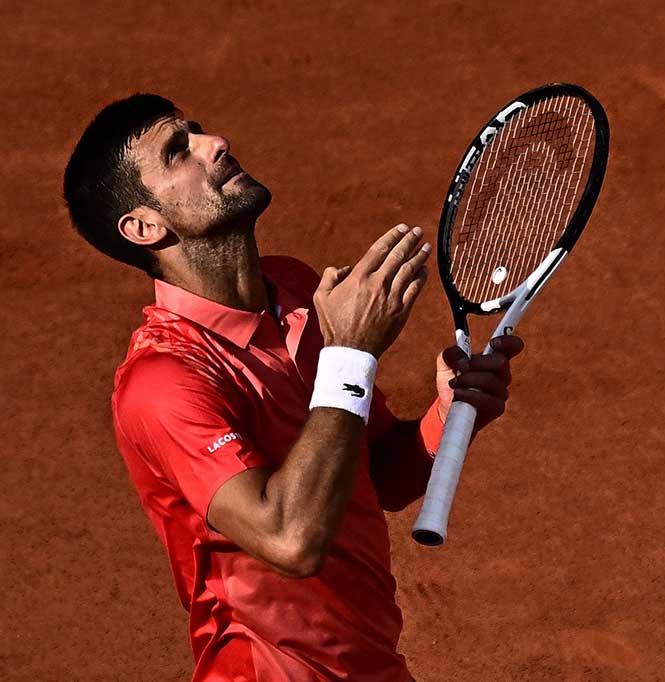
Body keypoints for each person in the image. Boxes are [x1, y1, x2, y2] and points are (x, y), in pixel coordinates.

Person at [63, 93, 523, 681]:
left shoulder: (296, 288)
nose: (216, 143)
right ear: (145, 226)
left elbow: (376, 472)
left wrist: (449, 415)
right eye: (180, 151)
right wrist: (350, 356)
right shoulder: (162, 382)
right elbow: (290, 538)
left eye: (197, 131)